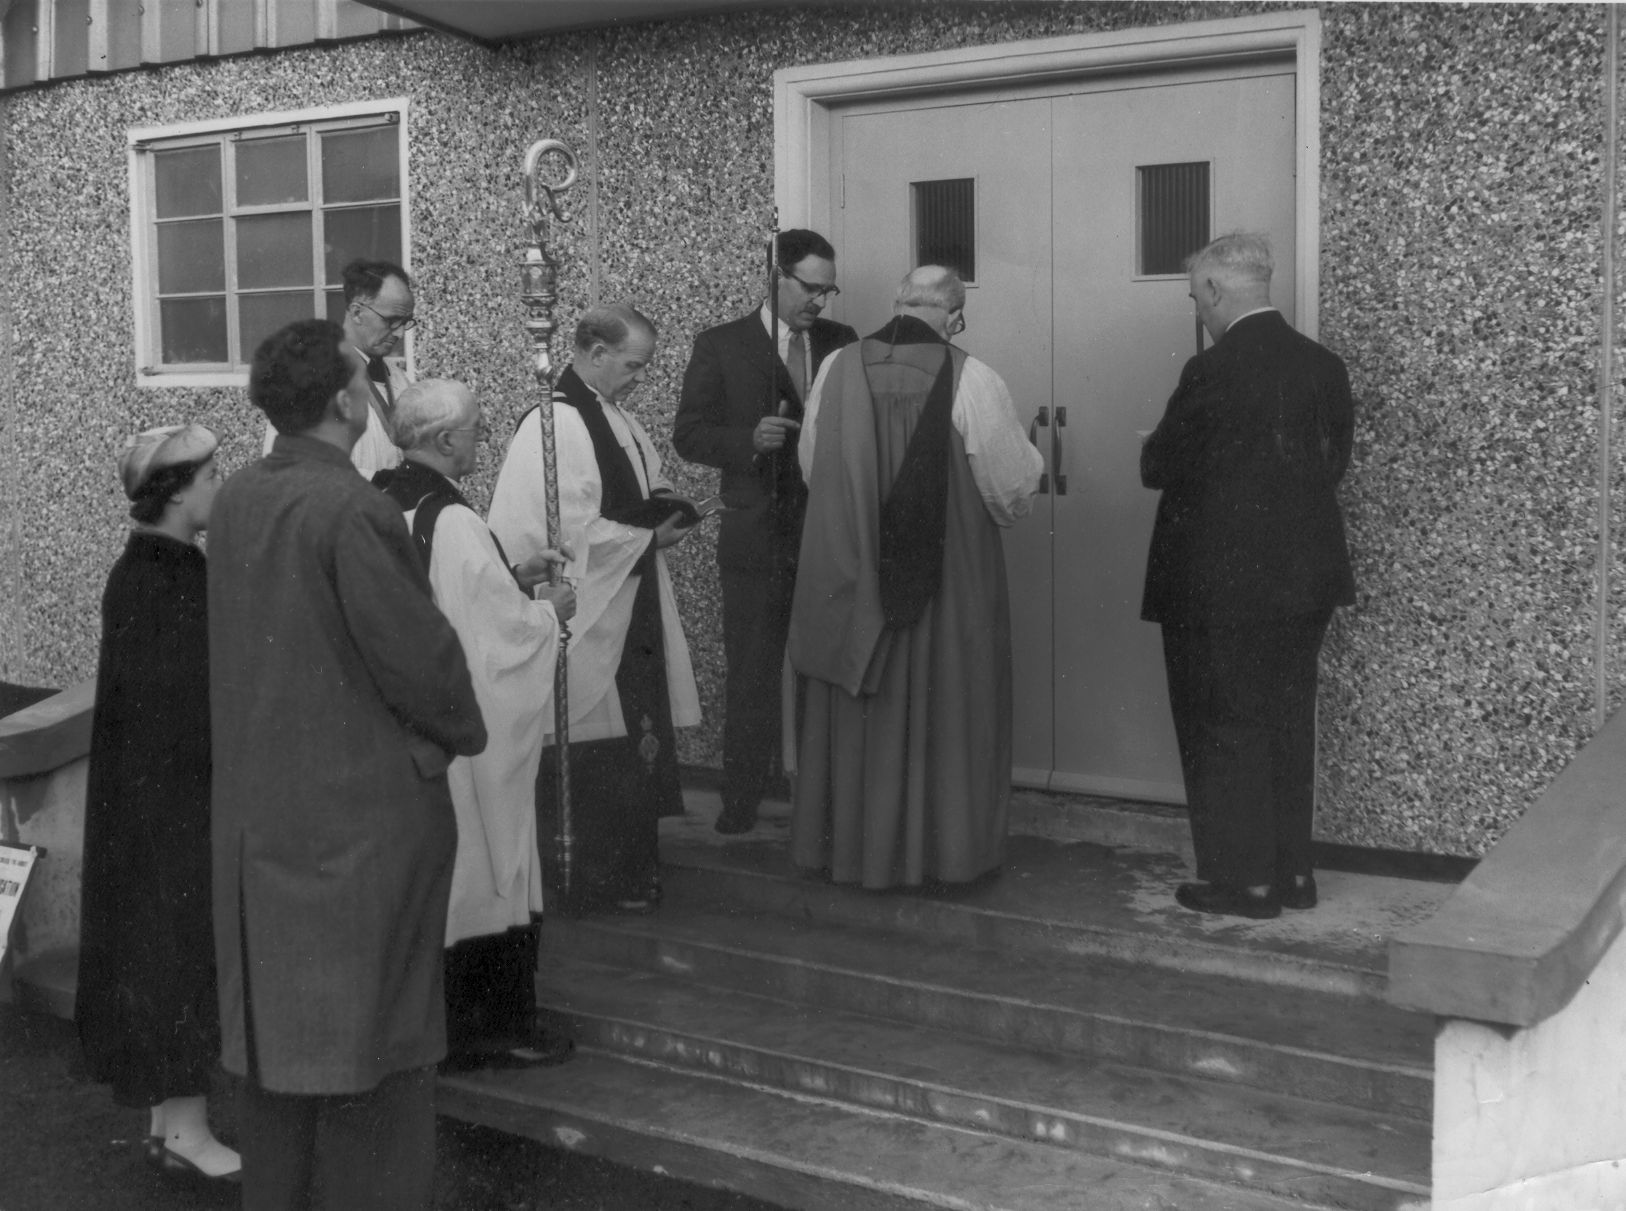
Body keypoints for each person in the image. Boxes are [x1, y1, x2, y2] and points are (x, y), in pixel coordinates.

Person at [210, 319, 487, 1210]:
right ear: (342, 399)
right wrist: (450, 735)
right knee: (376, 1051)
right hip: (362, 821)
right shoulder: (353, 506)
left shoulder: (240, 494)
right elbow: (421, 661)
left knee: (282, 1056)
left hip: (264, 814)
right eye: (365, 379)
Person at [788, 265, 1043, 890]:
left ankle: (853, 853)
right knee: (946, 704)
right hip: (946, 579)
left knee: (861, 707)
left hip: (854, 569)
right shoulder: (972, 377)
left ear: (900, 303)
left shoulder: (836, 368)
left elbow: (813, 469)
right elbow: (1010, 489)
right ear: (954, 316)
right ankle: (942, 856)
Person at [1140, 232, 1355, 921]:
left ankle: (1244, 883)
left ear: (1213, 289)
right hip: (1307, 580)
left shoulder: (1210, 370)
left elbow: (1158, 466)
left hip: (1218, 585)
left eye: (1196, 298)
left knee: (1223, 724)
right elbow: (1332, 463)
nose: (1199, 311)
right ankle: (1293, 874)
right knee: (1287, 719)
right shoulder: (1324, 366)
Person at [374, 378, 577, 1070]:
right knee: (487, 864)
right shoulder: (453, 518)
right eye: (476, 430)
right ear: (442, 439)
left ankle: (436, 1025)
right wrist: (549, 611)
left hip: (407, 717)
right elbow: (493, 636)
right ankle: (490, 1029)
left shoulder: (382, 497)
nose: (483, 440)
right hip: (463, 725)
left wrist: (512, 574)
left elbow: (444, 595)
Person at [489, 304, 701, 914]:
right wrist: (648, 537)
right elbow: (564, 528)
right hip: (590, 611)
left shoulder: (614, 415)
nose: (641, 377)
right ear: (596, 352)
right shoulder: (555, 423)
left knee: (633, 736)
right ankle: (588, 878)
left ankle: (630, 869)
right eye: (634, 365)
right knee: (595, 741)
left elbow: (640, 487)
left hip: (626, 599)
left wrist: (666, 503)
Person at [76, 423, 240, 1184]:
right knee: (176, 952)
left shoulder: (145, 567)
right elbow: (189, 705)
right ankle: (185, 1131)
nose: (218, 487)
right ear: (174, 492)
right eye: (209, 477)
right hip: (172, 801)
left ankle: (165, 1121)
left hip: (146, 799)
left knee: (156, 951)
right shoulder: (171, 577)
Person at [673, 229, 859, 834]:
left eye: (828, 291)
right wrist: (747, 440)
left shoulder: (842, 343)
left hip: (826, 537)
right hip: (755, 539)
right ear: (775, 277)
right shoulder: (721, 344)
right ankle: (741, 800)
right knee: (751, 673)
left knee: (823, 673)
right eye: (811, 288)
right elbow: (688, 434)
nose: (820, 302)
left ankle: (823, 805)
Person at [258, 258, 416, 475]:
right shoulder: (307, 380)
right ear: (357, 313)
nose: (400, 333)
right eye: (392, 321)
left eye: (405, 322)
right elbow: (289, 472)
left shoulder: (400, 380)